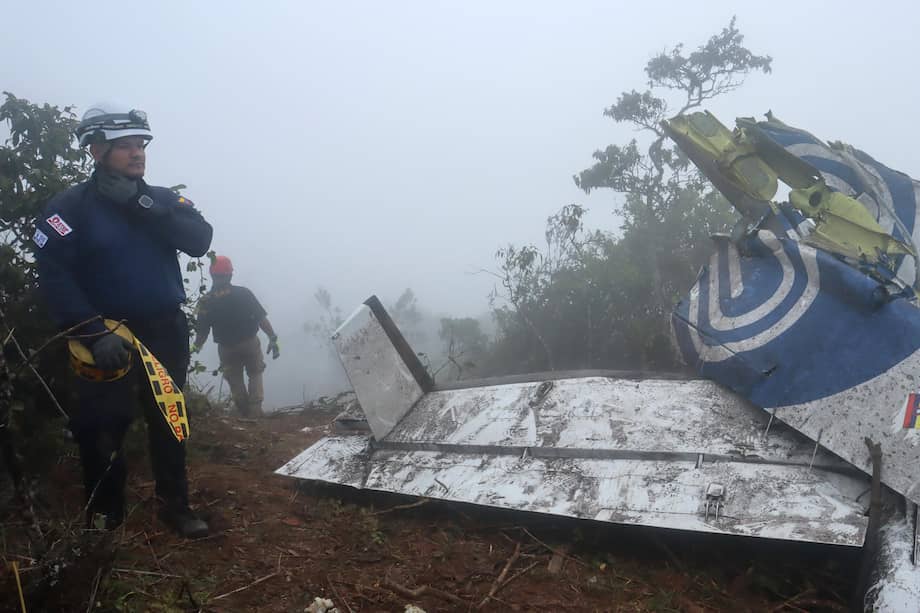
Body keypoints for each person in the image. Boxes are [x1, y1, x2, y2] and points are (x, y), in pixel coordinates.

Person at [33, 104, 212, 538]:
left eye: (141, 145)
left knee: (169, 417)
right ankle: (105, 515)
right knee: (101, 425)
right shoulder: (68, 208)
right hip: (105, 333)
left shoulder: (163, 200)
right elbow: (54, 273)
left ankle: (176, 506)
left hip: (163, 329)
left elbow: (199, 240)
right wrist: (92, 331)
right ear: (96, 150)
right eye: (125, 146)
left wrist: (142, 202)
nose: (138, 154)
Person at [193, 256, 279, 417]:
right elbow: (261, 319)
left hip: (226, 348)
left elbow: (202, 332)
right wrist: (272, 337)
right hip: (249, 343)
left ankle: (245, 412)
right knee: (255, 372)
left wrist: (195, 348)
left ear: (212, 275)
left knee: (234, 379)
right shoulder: (243, 293)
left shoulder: (205, 301)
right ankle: (255, 411)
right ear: (230, 275)